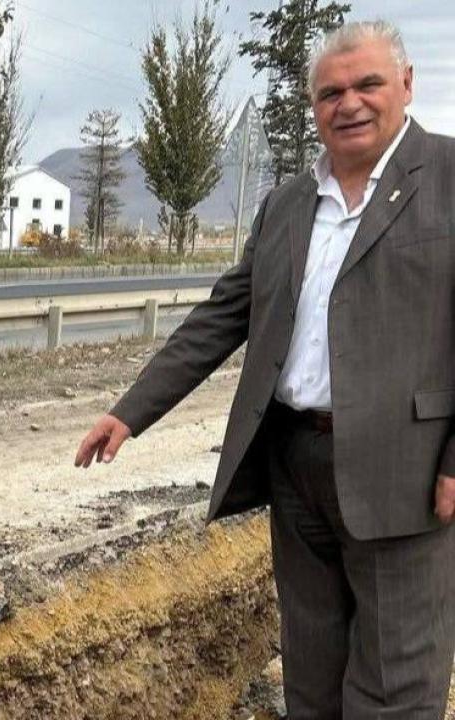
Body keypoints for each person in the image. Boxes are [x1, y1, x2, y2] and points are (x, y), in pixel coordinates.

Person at [75, 20, 455, 718]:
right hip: (295, 462)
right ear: (313, 106)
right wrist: (131, 410)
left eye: (368, 84)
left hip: (405, 469)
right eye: (330, 92)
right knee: (311, 676)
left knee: (396, 687)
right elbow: (225, 314)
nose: (349, 103)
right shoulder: (288, 202)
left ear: (405, 84)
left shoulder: (451, 179)